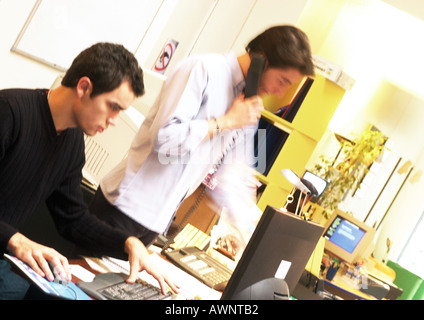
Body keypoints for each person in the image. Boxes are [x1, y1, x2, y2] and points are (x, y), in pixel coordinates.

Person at [89, 25, 315, 254]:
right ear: (261, 61)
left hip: (155, 223)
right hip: (122, 210)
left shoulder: (248, 105)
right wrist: (224, 122)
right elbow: (165, 140)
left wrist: (254, 235)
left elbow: (231, 178)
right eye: (282, 81)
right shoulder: (202, 69)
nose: (279, 92)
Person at [0, 42, 178, 299]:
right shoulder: (9, 112)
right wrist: (15, 239)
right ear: (83, 87)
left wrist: (127, 243)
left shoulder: (71, 142)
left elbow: (73, 219)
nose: (114, 121)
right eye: (113, 107)